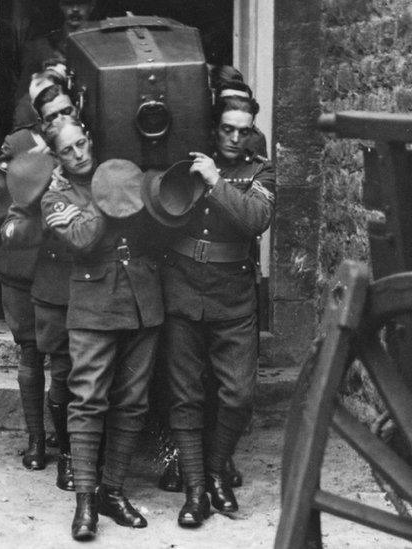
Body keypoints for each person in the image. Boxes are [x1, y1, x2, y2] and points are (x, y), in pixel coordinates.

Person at [41, 115, 163, 541]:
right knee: (88, 399)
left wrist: (126, 183)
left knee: (132, 402)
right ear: (56, 157)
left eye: (82, 143)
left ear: (90, 139)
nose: (79, 154)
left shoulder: (121, 170)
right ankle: (86, 500)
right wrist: (110, 193)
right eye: (68, 149)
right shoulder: (54, 197)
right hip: (93, 305)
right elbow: (82, 238)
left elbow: (160, 218)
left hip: (142, 299)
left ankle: (113, 491)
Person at [162, 82, 275, 527]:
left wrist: (214, 182)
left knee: (238, 395)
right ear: (214, 128)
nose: (234, 138)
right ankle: (195, 491)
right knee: (185, 395)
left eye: (243, 131)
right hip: (184, 288)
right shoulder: (186, 163)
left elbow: (256, 219)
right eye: (227, 129)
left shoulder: (261, 172)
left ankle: (215, 472)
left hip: (233, 294)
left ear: (252, 133)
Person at [0, 82, 81, 490]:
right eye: (51, 117)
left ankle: (66, 446)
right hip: (25, 270)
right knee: (30, 353)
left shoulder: (83, 151)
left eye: (67, 112)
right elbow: (10, 213)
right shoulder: (29, 157)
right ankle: (35, 439)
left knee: (64, 361)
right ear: (40, 123)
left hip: (63, 274)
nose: (61, 121)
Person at [12, 1, 96, 129]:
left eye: (81, 3)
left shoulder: (103, 48)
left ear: (92, 5)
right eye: (69, 3)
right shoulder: (40, 49)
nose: (75, 9)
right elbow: (24, 102)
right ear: (60, 5)